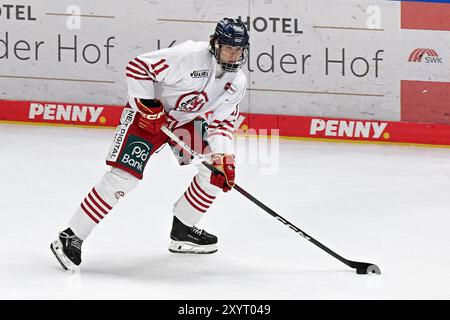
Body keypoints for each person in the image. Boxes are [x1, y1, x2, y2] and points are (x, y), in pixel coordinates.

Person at [50, 18, 250, 272]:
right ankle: (71, 235)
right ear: (215, 44)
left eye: (239, 50)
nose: (233, 55)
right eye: (228, 48)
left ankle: (183, 229)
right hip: (146, 120)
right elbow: (138, 67)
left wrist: (223, 157)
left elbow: (222, 123)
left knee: (214, 170)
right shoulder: (188, 57)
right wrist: (149, 107)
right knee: (124, 179)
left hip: (183, 122)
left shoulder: (237, 83)